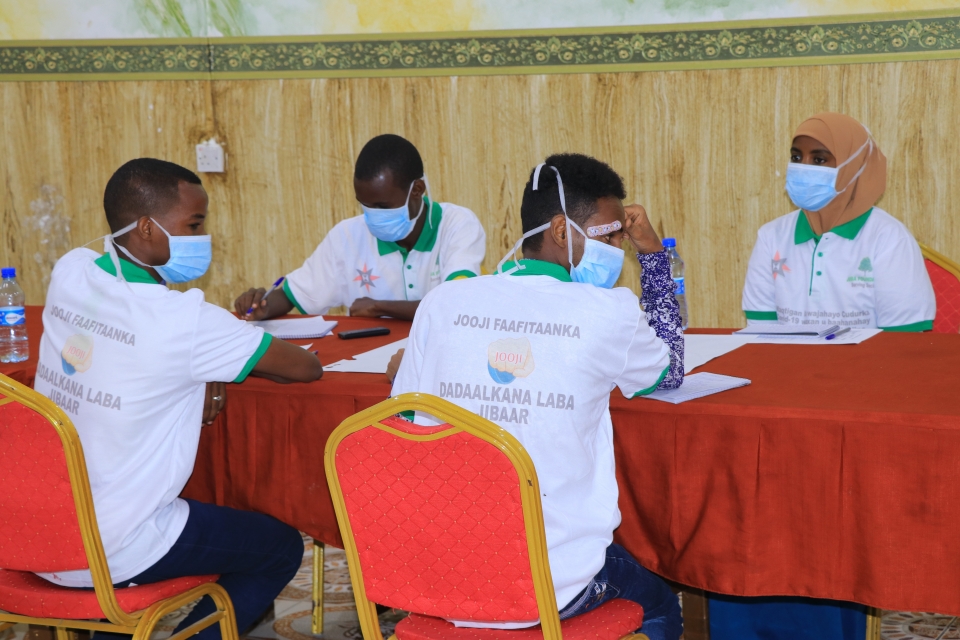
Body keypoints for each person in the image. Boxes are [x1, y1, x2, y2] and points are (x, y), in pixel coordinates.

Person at [391, 153, 685, 640]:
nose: (617, 247)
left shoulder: (443, 301)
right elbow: (670, 367)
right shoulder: (609, 311)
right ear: (561, 230)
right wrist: (651, 255)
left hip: (435, 572)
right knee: (659, 604)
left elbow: (401, 421)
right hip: (550, 584)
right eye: (610, 235)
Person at [33, 158, 324, 640]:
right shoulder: (186, 321)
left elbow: (144, 351)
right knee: (278, 548)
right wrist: (213, 361)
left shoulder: (71, 271)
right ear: (146, 227)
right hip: (117, 545)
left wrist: (210, 374)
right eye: (194, 224)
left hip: (39, 530)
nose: (202, 237)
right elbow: (304, 368)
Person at [234, 134, 485, 321]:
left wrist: (380, 307)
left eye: (382, 205)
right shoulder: (347, 235)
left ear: (417, 190)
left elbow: (456, 303)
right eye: (365, 206)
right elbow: (294, 295)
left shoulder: (458, 225)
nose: (373, 215)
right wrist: (261, 305)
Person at [742, 111, 935, 331]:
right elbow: (760, 335)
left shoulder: (888, 238)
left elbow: (904, 340)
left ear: (851, 166)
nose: (803, 167)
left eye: (819, 159)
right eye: (796, 157)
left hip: (868, 364)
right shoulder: (771, 236)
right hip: (789, 364)